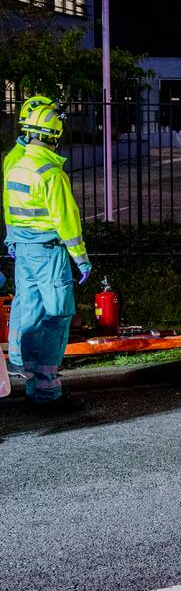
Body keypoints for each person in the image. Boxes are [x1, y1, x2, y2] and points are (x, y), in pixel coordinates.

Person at [4, 106, 90, 408]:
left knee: (29, 309)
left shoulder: (16, 166)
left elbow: (10, 209)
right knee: (57, 316)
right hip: (50, 253)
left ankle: (24, 370)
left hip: (24, 251)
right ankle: (46, 389)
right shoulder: (51, 173)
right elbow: (67, 220)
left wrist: (11, 239)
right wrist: (80, 258)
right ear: (55, 135)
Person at [4, 95, 58, 376]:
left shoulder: (19, 155)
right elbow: (10, 200)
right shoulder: (22, 158)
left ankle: (19, 358)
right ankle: (22, 360)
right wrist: (12, 235)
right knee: (30, 303)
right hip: (33, 240)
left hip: (22, 239)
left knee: (26, 300)